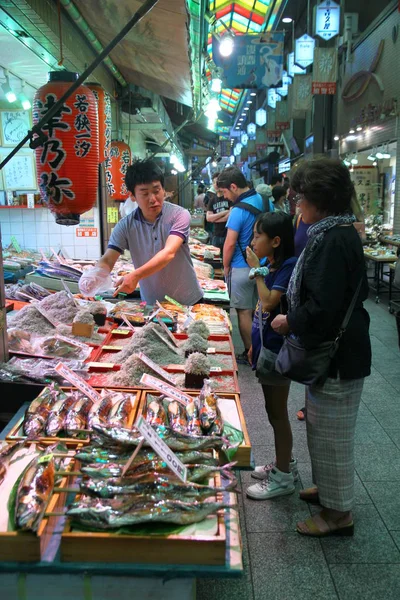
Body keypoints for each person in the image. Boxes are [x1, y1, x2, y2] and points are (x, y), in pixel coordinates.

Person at [271, 158, 371, 537]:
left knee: (332, 436)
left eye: (301, 198)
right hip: (334, 350)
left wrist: (289, 320)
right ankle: (329, 491)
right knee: (321, 427)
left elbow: (324, 306)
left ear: (320, 199)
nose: (297, 205)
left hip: (339, 354)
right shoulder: (333, 231)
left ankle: (337, 514)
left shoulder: (332, 239)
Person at [79, 159, 202, 306]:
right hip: (152, 305)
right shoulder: (125, 226)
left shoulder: (179, 215)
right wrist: (95, 275)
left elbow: (169, 252)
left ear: (164, 190)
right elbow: (108, 259)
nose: (152, 199)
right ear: (132, 195)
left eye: (156, 191)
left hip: (188, 302)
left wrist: (136, 275)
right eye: (144, 193)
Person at [245, 212, 298, 500]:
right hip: (266, 348)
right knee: (271, 411)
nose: (253, 241)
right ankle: (283, 463)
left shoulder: (287, 266)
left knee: (278, 415)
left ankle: (284, 477)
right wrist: (255, 341)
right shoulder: (272, 263)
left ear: (276, 241)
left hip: (279, 353)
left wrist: (255, 270)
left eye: (257, 235)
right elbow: (259, 311)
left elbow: (267, 303)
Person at [218, 167, 265, 365]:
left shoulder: (238, 210)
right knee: (257, 310)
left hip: (240, 267)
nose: (225, 197)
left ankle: (249, 352)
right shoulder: (261, 200)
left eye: (225, 192)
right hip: (259, 265)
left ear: (234, 187)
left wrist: (225, 266)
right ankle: (260, 349)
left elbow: (229, 243)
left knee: (243, 311)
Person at [206, 186, 232, 255]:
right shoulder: (212, 200)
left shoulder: (229, 198)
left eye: (218, 183)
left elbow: (230, 216)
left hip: (228, 234)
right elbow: (208, 218)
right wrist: (224, 212)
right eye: (214, 183)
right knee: (215, 257)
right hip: (216, 234)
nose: (216, 185)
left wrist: (214, 219)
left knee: (227, 257)